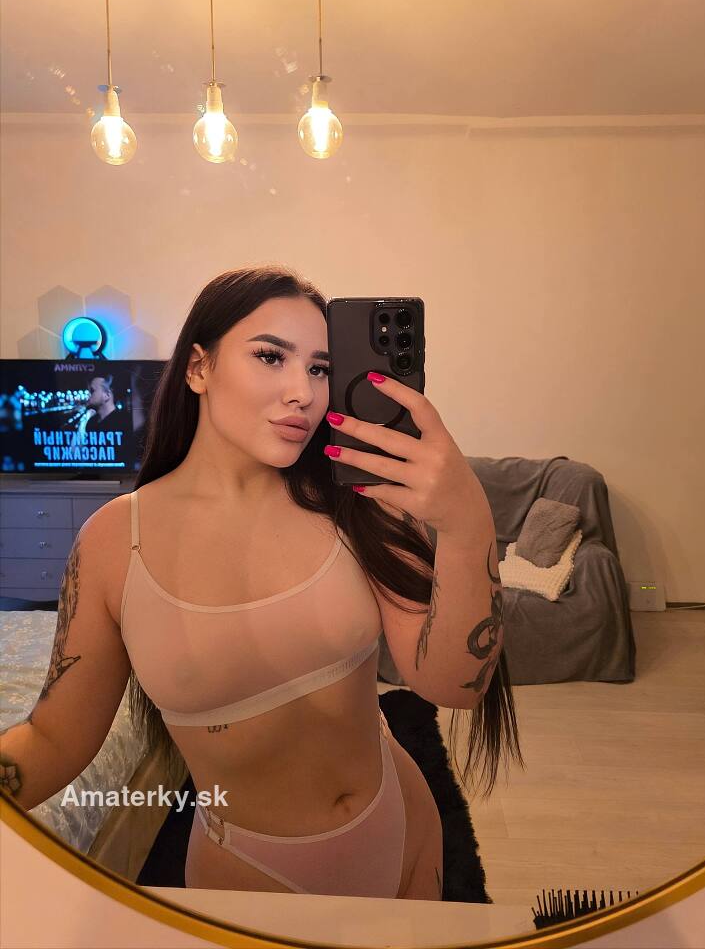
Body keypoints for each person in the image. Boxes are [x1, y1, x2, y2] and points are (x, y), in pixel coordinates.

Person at [0, 265, 523, 900]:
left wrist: (468, 523)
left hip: (403, 826)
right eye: (271, 357)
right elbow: (56, 737)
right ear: (199, 368)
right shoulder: (114, 542)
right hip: (250, 872)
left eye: (320, 369)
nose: (303, 391)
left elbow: (453, 685)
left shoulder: (360, 504)